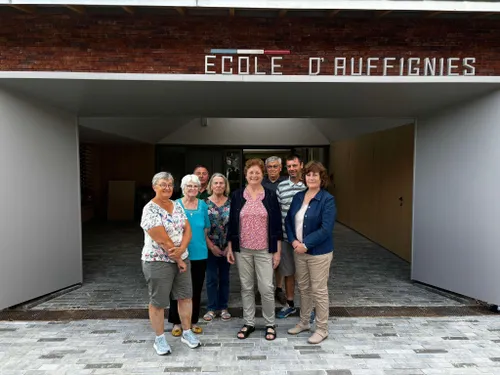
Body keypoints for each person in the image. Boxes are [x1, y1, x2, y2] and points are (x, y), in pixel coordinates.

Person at [140, 172, 201, 355]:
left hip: (181, 257)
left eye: (169, 184)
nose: (167, 188)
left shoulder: (176, 205)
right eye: (162, 184)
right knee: (158, 302)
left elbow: (187, 228)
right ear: (154, 187)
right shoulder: (149, 209)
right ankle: (159, 339)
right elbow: (163, 240)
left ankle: (187, 332)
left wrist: (182, 248)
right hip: (158, 261)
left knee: (185, 296)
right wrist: (179, 259)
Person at [226, 158, 282, 341]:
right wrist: (230, 247)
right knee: (247, 287)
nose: (254, 175)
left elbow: (276, 225)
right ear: (246, 174)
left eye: (257, 172)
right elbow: (232, 223)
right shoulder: (237, 195)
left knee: (266, 287)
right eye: (251, 172)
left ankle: (269, 323)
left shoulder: (270, 195)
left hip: (265, 249)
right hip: (243, 249)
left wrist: (278, 251)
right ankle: (249, 322)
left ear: (262, 174)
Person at [285, 161, 336, 344]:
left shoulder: (327, 199)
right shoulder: (298, 196)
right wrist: (293, 241)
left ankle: (322, 329)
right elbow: (289, 221)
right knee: (304, 288)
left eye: (315, 175)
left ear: (322, 178)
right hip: (299, 251)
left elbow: (326, 229)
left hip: (319, 253)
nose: (311, 177)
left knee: (319, 290)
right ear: (304, 177)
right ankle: (304, 322)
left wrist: (305, 244)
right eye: (308, 174)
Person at [168, 175, 210, 338]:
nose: (192, 189)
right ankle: (176, 322)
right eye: (189, 186)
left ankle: (192, 321)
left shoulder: (203, 206)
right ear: (183, 187)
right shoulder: (175, 205)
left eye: (195, 186)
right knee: (177, 289)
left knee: (196, 289)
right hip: (181, 253)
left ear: (200, 189)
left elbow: (206, 228)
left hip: (200, 253)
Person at [276, 154, 307, 319]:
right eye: (289, 166)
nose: (292, 169)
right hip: (287, 238)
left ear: (301, 165)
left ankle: (307, 308)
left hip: (305, 239)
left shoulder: (308, 185)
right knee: (288, 272)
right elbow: (278, 211)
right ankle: (289, 304)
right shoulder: (281, 187)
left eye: (295, 165)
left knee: (306, 274)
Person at [204, 173, 232, 322]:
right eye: (216, 183)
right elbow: (201, 227)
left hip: (227, 247)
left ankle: (223, 307)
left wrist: (229, 246)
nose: (219, 185)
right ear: (211, 186)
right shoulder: (204, 204)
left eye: (221, 183)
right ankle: (211, 308)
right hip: (210, 247)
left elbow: (235, 227)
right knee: (211, 278)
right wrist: (211, 246)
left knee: (225, 278)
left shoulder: (231, 203)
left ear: (225, 185)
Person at [262, 156, 287, 304]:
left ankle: (278, 288)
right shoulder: (261, 182)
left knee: (279, 261)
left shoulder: (285, 183)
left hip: (280, 226)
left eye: (275, 166)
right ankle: (263, 289)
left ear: (280, 168)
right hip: (263, 227)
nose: (272, 169)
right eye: (269, 166)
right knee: (263, 260)